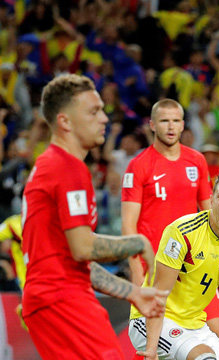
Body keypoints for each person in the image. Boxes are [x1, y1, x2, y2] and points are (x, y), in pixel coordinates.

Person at [21, 74, 167, 359]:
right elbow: (83, 248)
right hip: (62, 299)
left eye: (102, 109)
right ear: (65, 122)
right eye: (93, 111)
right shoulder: (67, 168)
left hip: (49, 297)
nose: (104, 119)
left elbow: (73, 254)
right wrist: (136, 243)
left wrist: (132, 292)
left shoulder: (51, 165)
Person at [128, 168, 219, 360]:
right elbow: (159, 296)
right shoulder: (182, 232)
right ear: (212, 199)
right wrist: (151, 348)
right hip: (151, 319)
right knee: (204, 357)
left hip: (195, 326)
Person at [121, 99, 219, 342]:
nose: (170, 126)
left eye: (176, 121)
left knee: (217, 332)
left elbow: (209, 214)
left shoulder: (197, 160)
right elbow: (128, 225)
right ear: (152, 125)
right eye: (164, 121)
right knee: (153, 341)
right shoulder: (138, 165)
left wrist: (218, 261)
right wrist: (137, 273)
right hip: (155, 267)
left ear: (183, 125)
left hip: (193, 264)